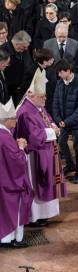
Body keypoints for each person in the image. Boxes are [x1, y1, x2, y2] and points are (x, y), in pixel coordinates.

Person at [15, 68, 66, 227]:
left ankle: (46, 214)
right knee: (37, 184)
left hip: (46, 152)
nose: (45, 99)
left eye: (45, 96)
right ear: (31, 95)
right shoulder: (25, 112)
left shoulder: (37, 105)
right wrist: (53, 131)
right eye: (42, 97)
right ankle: (35, 216)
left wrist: (52, 125)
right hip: (34, 156)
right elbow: (34, 136)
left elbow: (46, 117)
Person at [0, 100, 32, 248]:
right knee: (14, 209)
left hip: (3, 181)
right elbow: (18, 162)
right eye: (13, 118)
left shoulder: (3, 134)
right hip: (10, 184)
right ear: (6, 121)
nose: (16, 120)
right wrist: (20, 147)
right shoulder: (5, 138)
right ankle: (13, 239)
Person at [52, 59, 78, 184]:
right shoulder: (59, 83)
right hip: (63, 122)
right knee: (61, 142)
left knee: (77, 146)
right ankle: (70, 164)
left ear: (68, 70)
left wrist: (67, 121)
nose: (59, 75)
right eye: (58, 73)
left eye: (61, 72)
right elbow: (55, 102)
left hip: (77, 122)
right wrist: (58, 119)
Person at [6, 31, 35, 105]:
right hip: (9, 94)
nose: (26, 49)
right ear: (17, 43)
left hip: (23, 91)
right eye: (24, 47)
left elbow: (29, 66)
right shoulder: (3, 51)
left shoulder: (24, 50)